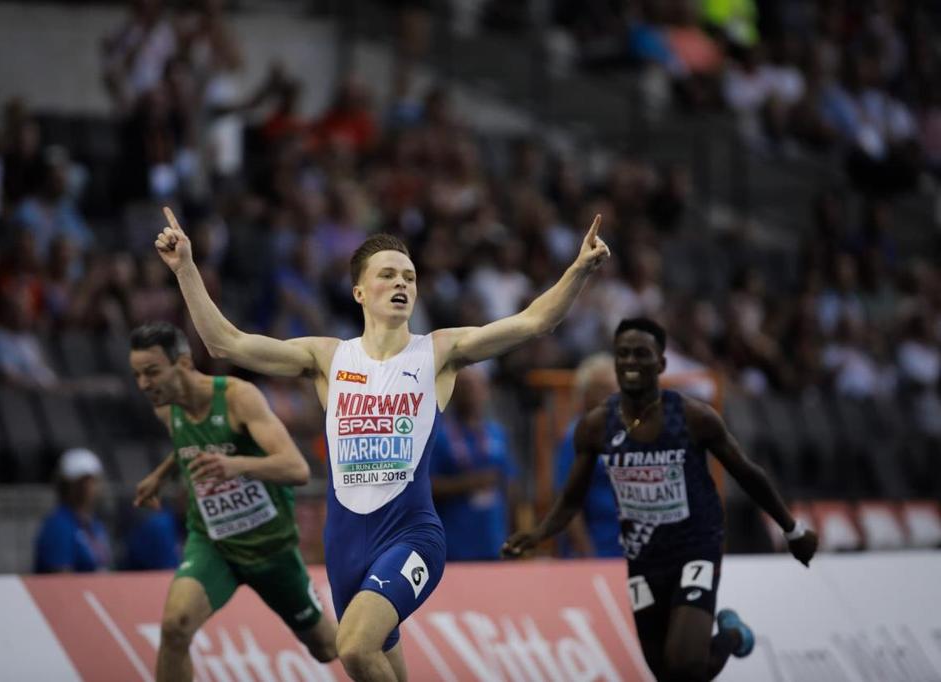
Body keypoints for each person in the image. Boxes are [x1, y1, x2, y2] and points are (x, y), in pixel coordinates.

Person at [154, 206, 610, 681]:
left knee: (352, 646)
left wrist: (577, 270)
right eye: (388, 275)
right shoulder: (327, 357)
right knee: (377, 665)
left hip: (412, 535)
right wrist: (186, 268)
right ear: (358, 291)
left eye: (410, 277)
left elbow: (535, 321)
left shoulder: (438, 352)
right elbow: (225, 343)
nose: (402, 284)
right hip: (345, 546)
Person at [503, 318, 819, 682]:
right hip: (642, 555)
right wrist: (538, 533)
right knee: (665, 673)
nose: (631, 362)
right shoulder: (595, 426)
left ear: (661, 364)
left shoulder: (693, 417)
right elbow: (572, 499)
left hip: (694, 546)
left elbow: (747, 472)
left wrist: (793, 531)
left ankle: (729, 638)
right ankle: (732, 635)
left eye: (641, 353)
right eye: (623, 354)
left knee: (684, 667)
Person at [128, 322, 337, 682]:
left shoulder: (238, 398)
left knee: (326, 648)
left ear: (182, 363)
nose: (144, 384)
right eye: (137, 375)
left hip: (271, 550)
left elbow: (296, 468)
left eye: (152, 372)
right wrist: (161, 475)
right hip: (214, 544)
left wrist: (235, 465)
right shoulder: (166, 408)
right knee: (175, 627)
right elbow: (189, 445)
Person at [429, 366, 516, 561]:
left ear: (486, 391)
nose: (471, 393)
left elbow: (509, 485)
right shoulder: (438, 435)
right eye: (464, 386)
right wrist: (467, 484)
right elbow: (427, 486)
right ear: (452, 391)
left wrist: (513, 533)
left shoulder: (497, 433)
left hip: (493, 539)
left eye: (477, 386)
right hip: (454, 543)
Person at [553, 353, 621, 558]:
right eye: (602, 389)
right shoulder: (576, 436)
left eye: (614, 387)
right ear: (585, 394)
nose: (610, 394)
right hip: (594, 549)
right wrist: (587, 555)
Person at [34, 448, 112, 573]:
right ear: (65, 486)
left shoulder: (95, 524)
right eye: (80, 482)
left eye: (91, 481)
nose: (86, 488)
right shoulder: (58, 526)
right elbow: (60, 579)